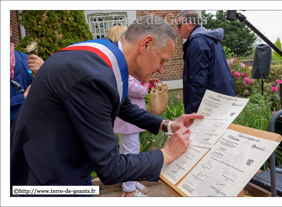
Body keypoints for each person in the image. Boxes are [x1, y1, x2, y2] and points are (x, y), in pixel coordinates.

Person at [10, 15, 204, 195]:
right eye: (162, 60)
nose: (161, 70)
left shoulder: (105, 56)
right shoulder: (95, 77)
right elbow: (111, 168)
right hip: (47, 176)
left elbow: (123, 106)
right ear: (146, 44)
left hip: (63, 160)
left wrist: (167, 125)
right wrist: (166, 153)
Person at [108, 26, 150, 197]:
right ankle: (129, 191)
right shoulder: (123, 62)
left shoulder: (118, 61)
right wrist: (146, 87)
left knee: (128, 150)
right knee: (132, 152)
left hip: (127, 119)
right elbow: (132, 87)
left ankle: (130, 182)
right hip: (128, 120)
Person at [176, 11, 235, 114]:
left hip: (210, 105)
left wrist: (192, 112)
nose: (177, 29)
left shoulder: (197, 43)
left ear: (189, 23)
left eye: (179, 25)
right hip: (221, 101)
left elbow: (198, 81)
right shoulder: (211, 40)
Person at [10, 27, 44, 125]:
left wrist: (43, 73)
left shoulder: (28, 60)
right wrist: (23, 98)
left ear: (10, 31)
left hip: (30, 131)